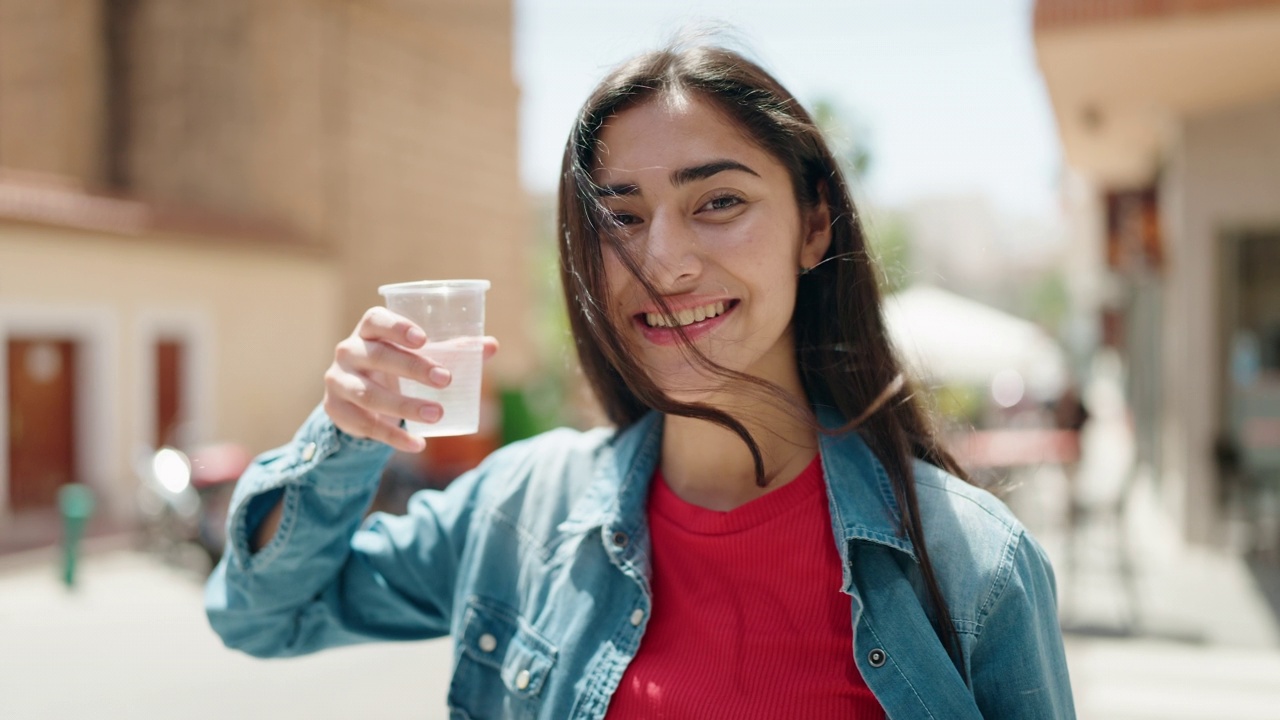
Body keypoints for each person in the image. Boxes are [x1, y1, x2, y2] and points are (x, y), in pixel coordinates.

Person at [205, 40, 1075, 719]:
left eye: (719, 202)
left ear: (815, 225)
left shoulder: (972, 567)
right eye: (619, 217)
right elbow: (259, 612)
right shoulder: (522, 508)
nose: (662, 261)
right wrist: (344, 436)